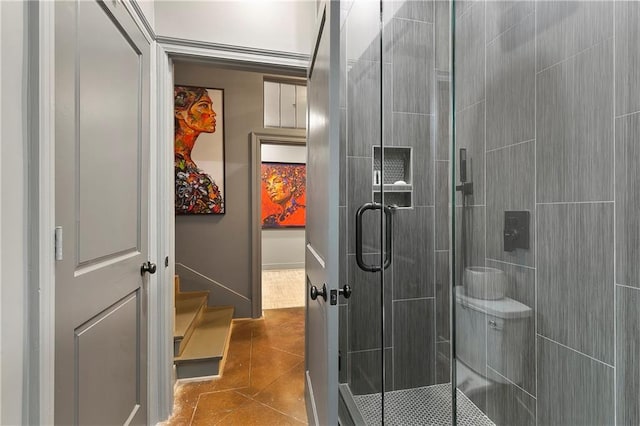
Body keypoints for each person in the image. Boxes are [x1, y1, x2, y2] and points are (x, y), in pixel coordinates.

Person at [174, 86, 224, 214]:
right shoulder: (172, 162)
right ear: (179, 113)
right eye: (203, 106)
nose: (213, 113)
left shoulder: (186, 161)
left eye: (210, 106)